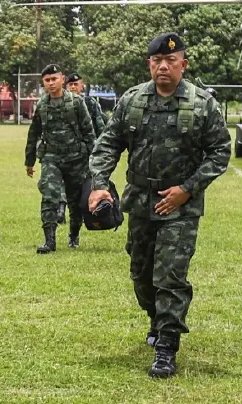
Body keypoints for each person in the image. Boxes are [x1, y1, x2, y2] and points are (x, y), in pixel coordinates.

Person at [88, 32, 230, 378]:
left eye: (170, 60)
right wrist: (98, 184)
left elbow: (220, 152)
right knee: (141, 273)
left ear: (184, 63)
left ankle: (167, 345)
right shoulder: (133, 100)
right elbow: (108, 144)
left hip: (180, 206)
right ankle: (156, 319)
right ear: (149, 64)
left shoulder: (201, 104)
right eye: (156, 61)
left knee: (170, 274)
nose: (163, 66)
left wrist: (187, 188)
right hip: (139, 202)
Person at [25, 64, 96, 253]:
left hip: (76, 159)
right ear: (43, 83)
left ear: (62, 79)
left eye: (54, 79)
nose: (51, 83)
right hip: (51, 158)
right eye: (47, 80)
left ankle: (73, 235)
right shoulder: (42, 105)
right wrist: (29, 161)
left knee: (75, 201)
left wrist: (94, 160)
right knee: (49, 196)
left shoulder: (76, 102)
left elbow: (88, 131)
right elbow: (34, 134)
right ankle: (49, 241)